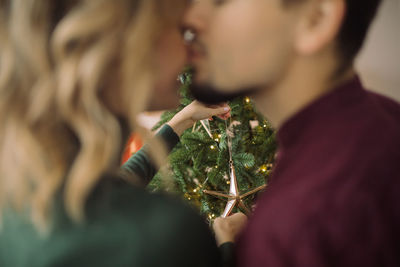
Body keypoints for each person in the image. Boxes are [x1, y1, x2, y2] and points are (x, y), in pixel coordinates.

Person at [0, 1, 231, 266]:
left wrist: (180, 121)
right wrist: (228, 246)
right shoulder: (160, 236)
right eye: (179, 29)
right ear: (120, 49)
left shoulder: (20, 198)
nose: (189, 51)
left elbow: (112, 183)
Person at [183, 0, 400, 266]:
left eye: (221, 1)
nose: (190, 18)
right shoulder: (386, 116)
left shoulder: (289, 232)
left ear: (316, 18)